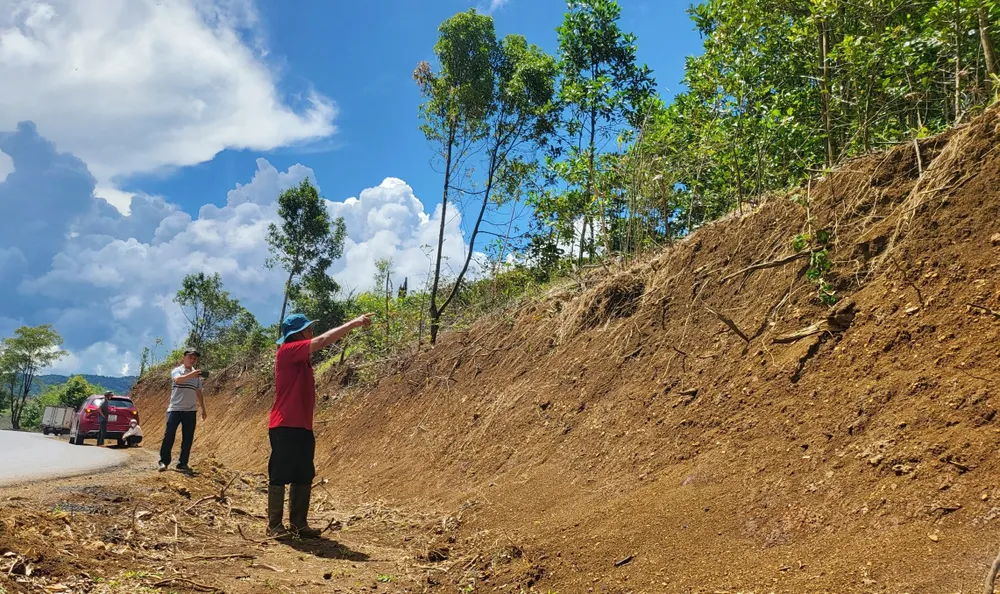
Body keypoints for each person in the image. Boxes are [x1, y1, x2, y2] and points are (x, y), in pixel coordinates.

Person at [267, 312, 373, 538]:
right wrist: (353, 323)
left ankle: (299, 524)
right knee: (279, 473)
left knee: (304, 473)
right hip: (284, 424)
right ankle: (274, 525)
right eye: (307, 329)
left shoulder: (301, 359)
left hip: (303, 426)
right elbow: (321, 342)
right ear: (296, 334)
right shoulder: (287, 351)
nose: (311, 332)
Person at [159, 347, 207, 474]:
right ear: (184, 358)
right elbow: (178, 380)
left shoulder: (196, 377)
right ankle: (164, 461)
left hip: (191, 411)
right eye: (190, 357)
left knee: (188, 438)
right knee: (169, 435)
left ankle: (183, 463)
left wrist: (203, 408)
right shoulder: (177, 371)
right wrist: (193, 373)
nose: (192, 360)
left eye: (194, 358)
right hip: (175, 409)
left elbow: (198, 392)